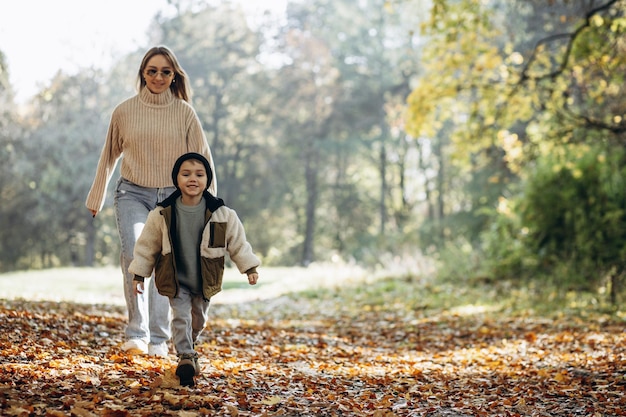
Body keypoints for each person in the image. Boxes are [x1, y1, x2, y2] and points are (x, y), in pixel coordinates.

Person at [86, 46, 217, 358]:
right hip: (132, 192)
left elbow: (203, 159)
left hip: (172, 199)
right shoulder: (124, 111)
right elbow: (109, 155)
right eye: (152, 71)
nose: (158, 77)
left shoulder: (185, 113)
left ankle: (158, 340)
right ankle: (136, 333)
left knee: (164, 263)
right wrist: (97, 194)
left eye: (165, 72)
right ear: (143, 74)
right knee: (134, 254)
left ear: (174, 76)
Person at [128, 152, 260, 387]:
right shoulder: (162, 213)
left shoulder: (222, 213)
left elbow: (238, 243)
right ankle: (185, 357)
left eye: (199, 174)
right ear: (176, 179)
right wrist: (139, 273)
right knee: (180, 317)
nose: (192, 179)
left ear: (207, 180)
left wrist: (249, 267)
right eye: (186, 174)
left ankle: (189, 347)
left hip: (205, 279)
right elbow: (147, 245)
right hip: (175, 278)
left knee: (198, 320)